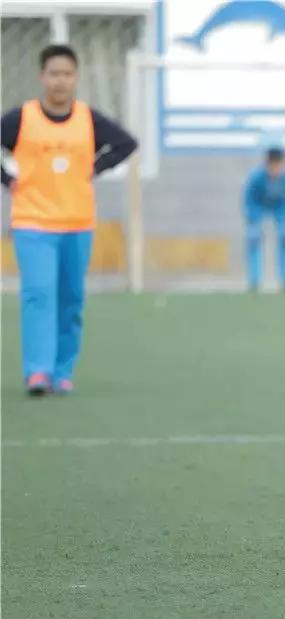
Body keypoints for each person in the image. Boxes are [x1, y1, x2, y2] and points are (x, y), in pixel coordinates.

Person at [1, 44, 138, 396]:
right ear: (41, 77)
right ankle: (38, 372)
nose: (59, 81)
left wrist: (98, 165)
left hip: (77, 223)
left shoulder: (88, 119)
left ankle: (63, 371)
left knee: (71, 298)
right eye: (53, 73)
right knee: (38, 295)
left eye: (66, 74)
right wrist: (7, 178)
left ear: (75, 78)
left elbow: (126, 143)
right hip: (33, 222)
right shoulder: (23, 118)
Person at [244, 147, 285, 293]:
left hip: (281, 209)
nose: (275, 170)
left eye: (278, 166)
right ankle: (254, 281)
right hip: (259, 207)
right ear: (266, 165)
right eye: (272, 166)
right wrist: (253, 221)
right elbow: (249, 200)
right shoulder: (256, 177)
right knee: (253, 238)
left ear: (283, 164)